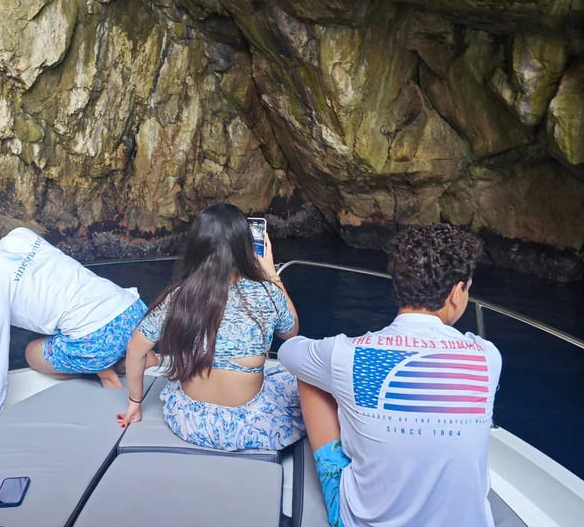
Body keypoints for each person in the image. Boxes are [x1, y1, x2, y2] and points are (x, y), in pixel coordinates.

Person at [278, 223, 501, 527]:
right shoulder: (487, 357)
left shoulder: (349, 354)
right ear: (455, 293)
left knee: (310, 374)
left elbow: (290, 352)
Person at [0, 208, 157, 422]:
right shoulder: (20, 235)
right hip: (133, 311)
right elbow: (27, 271)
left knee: (33, 353)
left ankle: (108, 374)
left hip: (98, 338)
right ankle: (130, 357)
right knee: (76, 316)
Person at [118, 203, 305, 451]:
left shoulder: (179, 296)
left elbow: (135, 350)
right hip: (249, 424)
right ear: (246, 248)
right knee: (299, 377)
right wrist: (271, 275)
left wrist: (134, 402)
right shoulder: (266, 293)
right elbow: (290, 332)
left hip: (191, 420)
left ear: (198, 245)